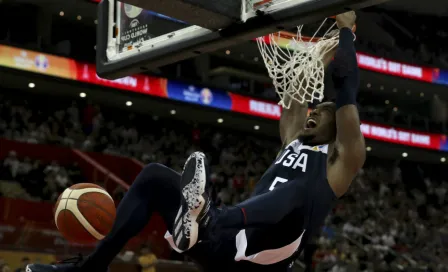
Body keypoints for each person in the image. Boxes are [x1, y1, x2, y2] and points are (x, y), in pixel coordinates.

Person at [27, 11, 364, 272]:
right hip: (226, 246)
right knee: (155, 177)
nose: (313, 112)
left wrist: (346, 31)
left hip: (266, 261)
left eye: (322, 112)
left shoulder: (341, 161)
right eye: (314, 108)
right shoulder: (292, 139)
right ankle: (91, 268)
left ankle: (207, 219)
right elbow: (295, 91)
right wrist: (316, 55)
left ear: (339, 127)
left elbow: (346, 88)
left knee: (298, 194)